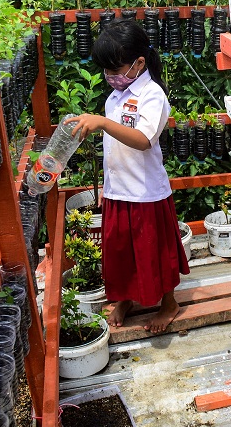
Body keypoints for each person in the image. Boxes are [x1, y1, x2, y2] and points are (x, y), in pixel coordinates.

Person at [65, 20, 190, 334]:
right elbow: (114, 147)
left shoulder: (153, 95)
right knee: (119, 252)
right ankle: (125, 299)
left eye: (115, 69)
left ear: (139, 63)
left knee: (153, 252)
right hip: (118, 190)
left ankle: (169, 303)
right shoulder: (114, 97)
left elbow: (143, 139)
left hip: (146, 193)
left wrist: (103, 124)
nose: (110, 77)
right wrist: (107, 185)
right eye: (105, 71)